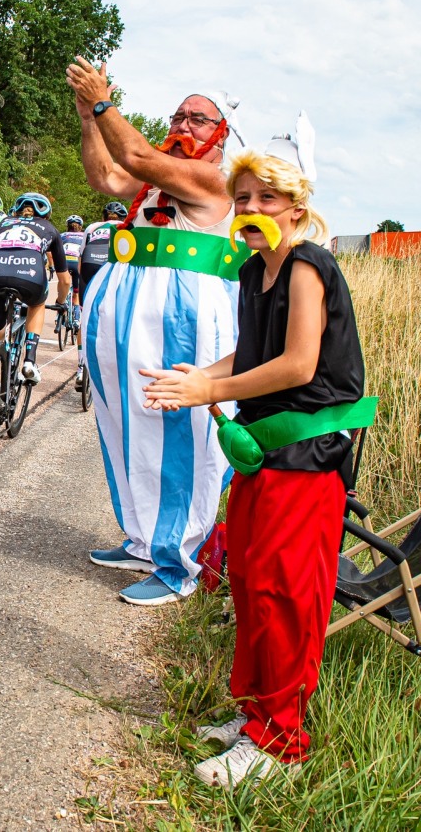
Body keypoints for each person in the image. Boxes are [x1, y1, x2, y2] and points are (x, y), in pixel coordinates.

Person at [141, 118, 364, 785]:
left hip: (305, 455)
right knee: (251, 584)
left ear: (294, 208)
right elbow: (251, 355)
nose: (251, 210)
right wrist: (198, 377)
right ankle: (257, 715)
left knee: (287, 595)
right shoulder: (252, 271)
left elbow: (297, 365)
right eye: (242, 199)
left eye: (266, 199)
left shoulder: (306, 263)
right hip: (263, 453)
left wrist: (212, 387)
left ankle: (281, 745)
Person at [67, 55, 243, 606]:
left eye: (196, 118)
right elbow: (107, 175)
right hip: (129, 314)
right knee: (128, 428)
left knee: (182, 436)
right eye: (178, 116)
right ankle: (145, 539)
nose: (181, 125)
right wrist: (86, 116)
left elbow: (135, 154)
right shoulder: (155, 181)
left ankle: (180, 563)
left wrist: (102, 103)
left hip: (182, 320)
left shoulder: (215, 179)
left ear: (222, 135)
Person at [0, 192, 65, 424]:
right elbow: (64, 279)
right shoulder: (49, 228)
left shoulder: (3, 223)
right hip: (29, 275)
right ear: (45, 213)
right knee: (37, 304)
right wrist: (61, 302)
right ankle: (30, 361)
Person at [73, 200, 127, 388]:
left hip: (89, 264)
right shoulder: (128, 226)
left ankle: (80, 369)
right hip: (113, 265)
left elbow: (81, 257)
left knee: (85, 316)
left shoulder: (93, 227)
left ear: (104, 217)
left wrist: (81, 285)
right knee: (116, 315)